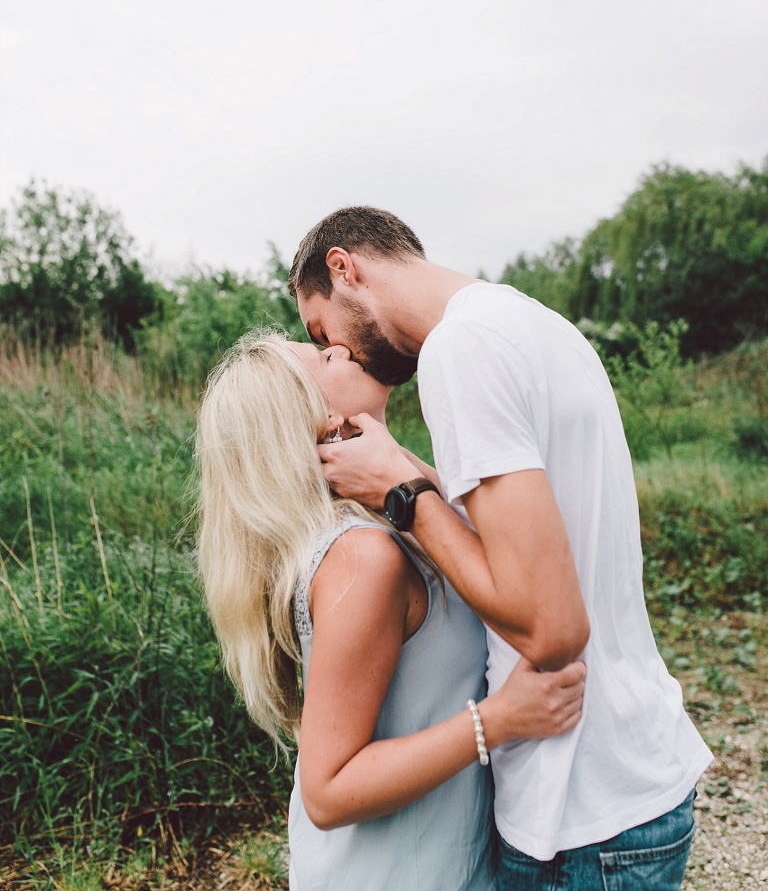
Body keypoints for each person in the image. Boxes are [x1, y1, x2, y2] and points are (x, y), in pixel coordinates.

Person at [288, 206, 714, 890]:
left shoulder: (462, 351)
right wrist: (414, 477)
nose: (335, 349)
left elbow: (552, 630)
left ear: (345, 269)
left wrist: (404, 494)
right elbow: (540, 532)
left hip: (577, 812)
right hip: (631, 770)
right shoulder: (531, 324)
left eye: (320, 329)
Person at [195, 331, 586, 891]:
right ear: (317, 419)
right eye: (322, 358)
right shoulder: (363, 557)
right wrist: (501, 720)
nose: (342, 349)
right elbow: (327, 792)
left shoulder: (385, 519)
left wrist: (395, 467)